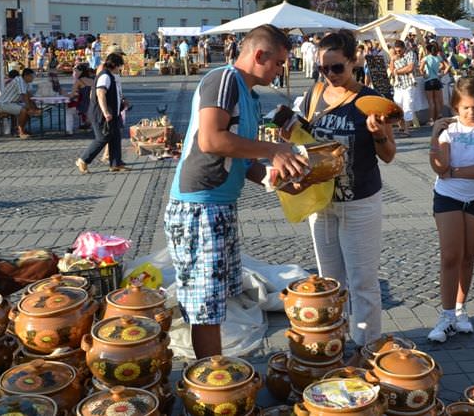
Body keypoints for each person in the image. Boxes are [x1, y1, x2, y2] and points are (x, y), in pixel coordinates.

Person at [163, 25, 309, 358]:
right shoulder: (224, 79)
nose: (281, 70)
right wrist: (272, 151)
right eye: (279, 63)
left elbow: (241, 161)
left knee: (215, 299)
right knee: (205, 306)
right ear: (259, 55)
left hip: (218, 206)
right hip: (199, 207)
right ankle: (210, 379)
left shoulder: (251, 96)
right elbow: (211, 140)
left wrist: (279, 179)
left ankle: (215, 370)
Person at [300, 30, 396, 345]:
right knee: (330, 283)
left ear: (354, 61)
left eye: (336, 68)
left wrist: (380, 133)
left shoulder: (369, 100)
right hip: (321, 202)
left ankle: (367, 347)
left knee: (363, 283)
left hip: (360, 202)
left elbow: (389, 155)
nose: (329, 75)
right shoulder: (313, 95)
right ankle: (334, 342)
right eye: (323, 69)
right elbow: (301, 139)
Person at [426, 76, 474, 342]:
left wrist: (456, 171)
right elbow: (439, 167)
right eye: (466, 108)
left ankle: (460, 309)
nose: (471, 113)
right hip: (447, 197)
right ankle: (445, 314)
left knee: (468, 256)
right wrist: (435, 137)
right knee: (450, 256)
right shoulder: (449, 129)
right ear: (456, 106)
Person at [76, 53, 129, 171]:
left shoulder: (111, 75)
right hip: (101, 113)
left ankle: (116, 163)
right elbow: (100, 94)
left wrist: (122, 100)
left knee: (115, 136)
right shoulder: (105, 76)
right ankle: (83, 159)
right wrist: (105, 112)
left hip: (112, 112)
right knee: (103, 137)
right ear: (114, 65)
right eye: (120, 66)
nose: (120, 69)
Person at [388, 40, 418, 137]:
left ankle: (407, 130)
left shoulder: (410, 54)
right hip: (398, 86)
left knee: (408, 106)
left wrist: (397, 71)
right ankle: (401, 127)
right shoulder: (394, 57)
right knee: (398, 106)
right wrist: (392, 60)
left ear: (404, 48)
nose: (398, 53)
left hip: (408, 84)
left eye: (399, 51)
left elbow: (410, 68)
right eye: (396, 51)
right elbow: (391, 71)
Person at [0, 68, 39, 139]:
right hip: (5, 103)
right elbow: (24, 95)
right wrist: (29, 108)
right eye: (32, 76)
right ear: (26, 76)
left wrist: (35, 107)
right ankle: (20, 131)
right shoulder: (19, 80)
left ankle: (21, 128)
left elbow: (29, 96)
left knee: (27, 110)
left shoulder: (26, 83)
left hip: (13, 103)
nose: (33, 78)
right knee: (23, 110)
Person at [420, 42, 449, 123]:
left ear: (429, 51)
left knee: (431, 102)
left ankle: (432, 119)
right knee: (437, 101)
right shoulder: (438, 57)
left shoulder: (426, 58)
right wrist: (442, 74)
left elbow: (421, 69)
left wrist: (424, 75)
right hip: (437, 80)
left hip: (429, 80)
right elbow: (447, 66)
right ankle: (438, 117)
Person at [66, 64, 95, 135]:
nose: (74, 73)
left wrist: (64, 94)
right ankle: (86, 123)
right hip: (93, 105)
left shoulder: (78, 81)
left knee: (68, 111)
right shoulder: (93, 80)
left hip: (83, 106)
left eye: (76, 71)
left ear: (81, 72)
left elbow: (71, 95)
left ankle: (69, 130)